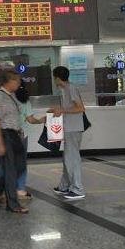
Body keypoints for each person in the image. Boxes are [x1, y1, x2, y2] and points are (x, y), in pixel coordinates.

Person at [0, 71, 28, 214]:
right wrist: (0, 143)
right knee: (11, 170)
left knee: (20, 166)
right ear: (9, 81)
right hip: (6, 135)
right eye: (17, 81)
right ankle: (13, 204)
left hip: (15, 135)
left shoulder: (11, 95)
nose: (19, 84)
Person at [51, 66, 87, 200]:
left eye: (54, 77)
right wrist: (58, 109)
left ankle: (77, 189)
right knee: (68, 158)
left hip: (73, 128)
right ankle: (64, 186)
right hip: (69, 127)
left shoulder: (70, 88)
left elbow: (80, 108)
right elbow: (70, 107)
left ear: (57, 78)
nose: (54, 80)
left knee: (72, 159)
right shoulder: (65, 89)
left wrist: (62, 110)